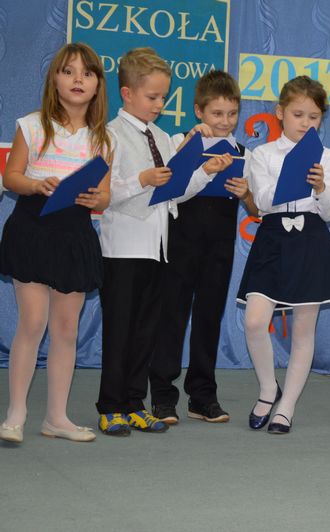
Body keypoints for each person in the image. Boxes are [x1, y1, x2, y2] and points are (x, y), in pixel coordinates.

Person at [96, 47, 232, 437]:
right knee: (120, 330)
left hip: (158, 248)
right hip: (123, 248)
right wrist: (141, 179)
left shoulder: (160, 137)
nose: (159, 104)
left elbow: (176, 191)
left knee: (145, 331)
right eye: (152, 97)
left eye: (163, 97)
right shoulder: (109, 134)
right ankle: (110, 406)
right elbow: (104, 194)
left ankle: (134, 403)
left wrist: (205, 171)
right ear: (126, 94)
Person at [0, 43, 112, 444]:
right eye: (68, 71)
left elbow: (105, 196)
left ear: (98, 85)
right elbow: (11, 177)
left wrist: (95, 198)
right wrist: (35, 184)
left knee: (66, 328)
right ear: (54, 80)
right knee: (33, 322)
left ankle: (56, 418)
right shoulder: (32, 125)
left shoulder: (102, 138)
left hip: (74, 233)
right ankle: (15, 414)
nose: (78, 79)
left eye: (87, 73)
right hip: (33, 227)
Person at [148, 70, 257, 425]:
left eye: (232, 114)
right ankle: (162, 395)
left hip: (219, 248)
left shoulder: (243, 154)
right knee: (172, 316)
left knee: (209, 318)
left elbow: (256, 209)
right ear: (199, 111)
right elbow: (169, 185)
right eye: (216, 113)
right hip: (180, 244)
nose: (225, 121)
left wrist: (246, 195)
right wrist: (193, 145)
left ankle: (203, 396)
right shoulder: (180, 140)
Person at [237, 75, 330, 434]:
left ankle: (287, 406)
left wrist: (321, 187)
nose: (306, 123)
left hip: (310, 239)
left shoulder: (328, 157)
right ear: (280, 112)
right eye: (298, 114)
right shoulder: (264, 154)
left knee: (303, 330)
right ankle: (269, 388)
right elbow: (263, 202)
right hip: (273, 238)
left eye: (314, 117)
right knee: (255, 321)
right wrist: (292, 176)